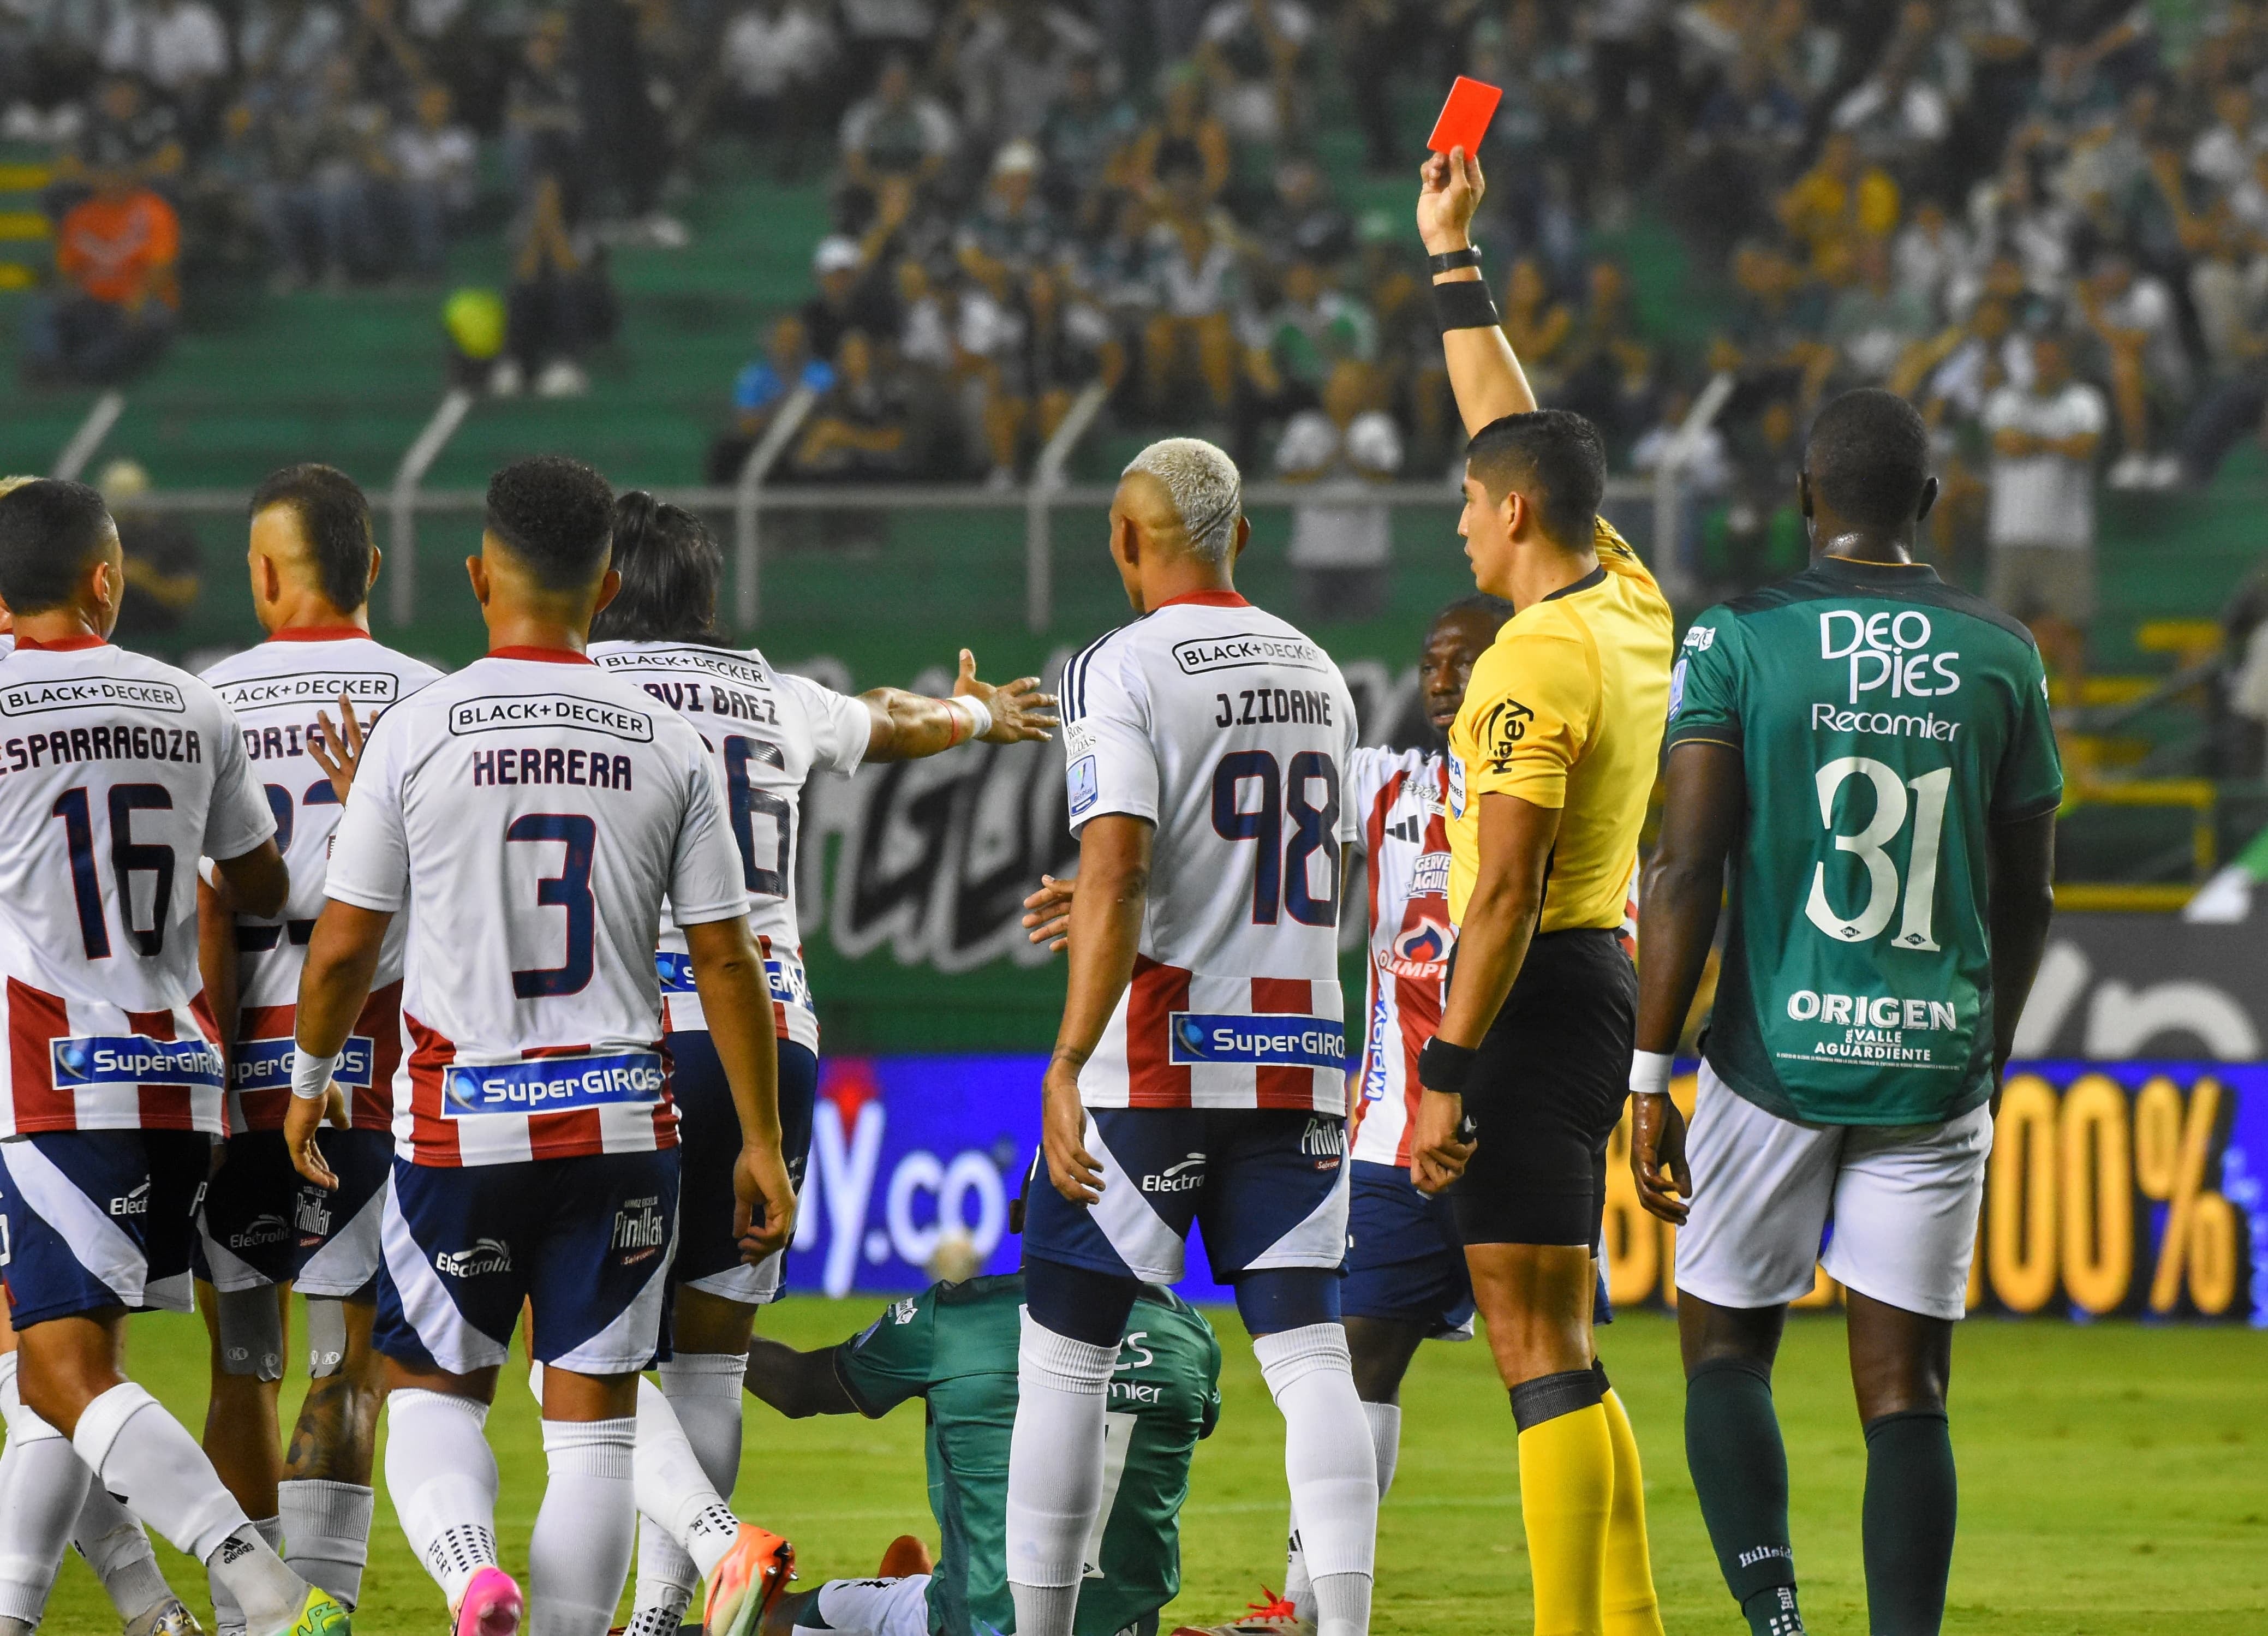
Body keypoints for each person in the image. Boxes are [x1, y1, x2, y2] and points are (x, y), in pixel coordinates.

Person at [283, 456, 798, 1636]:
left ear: (476, 575)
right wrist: (759, 1140)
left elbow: (343, 949)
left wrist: (310, 1082)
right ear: (605, 581)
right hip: (626, 1124)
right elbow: (727, 961)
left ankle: (473, 1577)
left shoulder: (417, 730)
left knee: (425, 1393)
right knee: (595, 1432)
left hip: (465, 1124)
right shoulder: (669, 742)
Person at [1628, 388, 2062, 1636]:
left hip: (1769, 1051)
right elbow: (2025, 891)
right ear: (1929, 503)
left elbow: (1686, 863)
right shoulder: (2001, 651)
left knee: (1722, 1351)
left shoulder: (1737, 638)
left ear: (1802, 499)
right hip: (1934, 1065)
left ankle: (1774, 1620)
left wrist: (1648, 1071)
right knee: (1905, 1391)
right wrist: (1987, 1049)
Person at [586, 491, 1057, 1636]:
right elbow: (888, 719)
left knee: (582, 1354)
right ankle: (664, 1616)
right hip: (772, 1042)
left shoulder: (582, 685)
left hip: (625, 1037)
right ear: (704, 593)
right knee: (708, 1355)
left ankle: (702, 1560)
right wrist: (974, 714)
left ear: (607, 588)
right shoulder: (769, 691)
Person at [1006, 437, 1376, 1636]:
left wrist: (1065, 1060)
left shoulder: (1116, 664)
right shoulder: (1321, 669)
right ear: (1243, 542)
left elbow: (1116, 865)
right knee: (1312, 1354)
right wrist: (1125, 896)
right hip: (1301, 1049)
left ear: (1122, 539)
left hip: (1156, 1053)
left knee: (1065, 1356)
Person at [0, 479, 343, 1636]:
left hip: (51, 1078)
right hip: (180, 1084)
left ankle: (260, 1585)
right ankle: (132, 1616)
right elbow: (260, 883)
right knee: (63, 1372)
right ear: (107, 578)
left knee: (52, 1370)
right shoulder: (189, 702)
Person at [1411, 145, 1671, 1636]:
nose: (1457, 517)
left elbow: (1497, 892)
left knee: (1525, 1339)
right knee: (1561, 1337)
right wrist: (1453, 261)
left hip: (1525, 995)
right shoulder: (1626, 595)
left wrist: (1445, 1072)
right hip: (1600, 985)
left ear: (1512, 518)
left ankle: (1573, 1623)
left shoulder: (1529, 663)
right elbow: (1514, 424)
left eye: (1466, 500)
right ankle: (1621, 1616)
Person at [191, 464, 445, 1626]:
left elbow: (206, 907)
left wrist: (209, 1070)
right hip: (373, 1079)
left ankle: (258, 1615)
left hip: (239, 1075)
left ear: (262, 572)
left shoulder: (209, 698)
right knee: (349, 1366)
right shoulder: (434, 700)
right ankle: (323, 1605)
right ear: (373, 568)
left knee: (243, 1359)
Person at [741, 1273, 1220, 1636]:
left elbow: (799, 1388)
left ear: (1020, 1216)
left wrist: (709, 1323)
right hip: (1123, 1627)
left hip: (975, 1620)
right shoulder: (1189, 1333)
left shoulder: (955, 1316)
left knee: (772, 1616)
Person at [1982, 332, 2104, 687]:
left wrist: (2033, 441)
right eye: (2041, 357)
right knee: (2003, 629)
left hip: (2067, 534)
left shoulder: (2084, 401)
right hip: (2012, 531)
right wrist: (2057, 443)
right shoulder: (2006, 400)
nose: (2047, 364)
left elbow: (2084, 447)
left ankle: (2073, 717)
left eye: (2054, 356)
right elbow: (2007, 445)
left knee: (2070, 628)